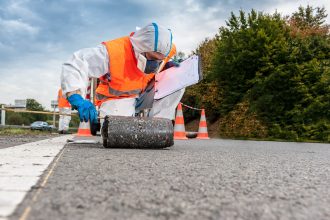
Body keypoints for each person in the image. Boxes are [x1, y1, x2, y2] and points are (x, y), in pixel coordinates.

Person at [61, 22, 184, 126]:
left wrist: (166, 66)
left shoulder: (166, 51)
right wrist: (75, 95)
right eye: (152, 58)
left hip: (144, 93)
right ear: (140, 48)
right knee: (117, 130)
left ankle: (157, 126)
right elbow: (77, 63)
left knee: (178, 80)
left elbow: (159, 61)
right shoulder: (113, 53)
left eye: (160, 60)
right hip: (118, 99)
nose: (155, 65)